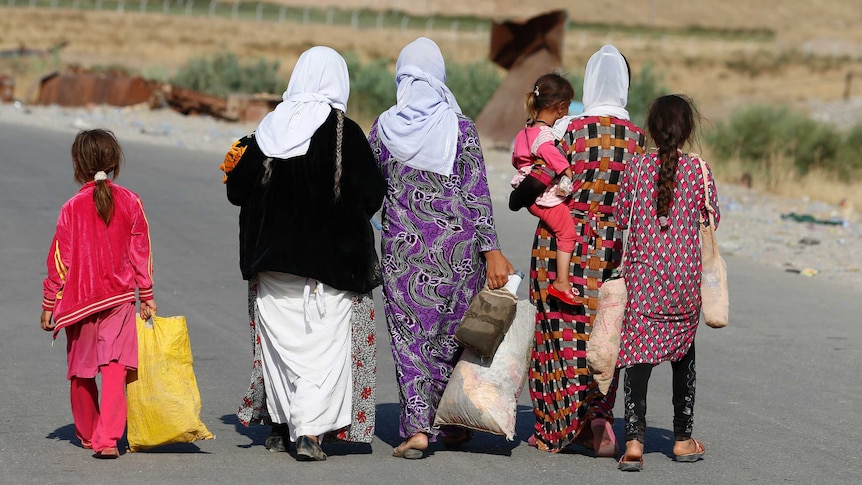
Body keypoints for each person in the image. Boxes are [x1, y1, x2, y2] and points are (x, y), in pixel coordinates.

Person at [221, 46, 386, 462]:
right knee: (323, 350)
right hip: (333, 267)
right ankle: (309, 431)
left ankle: (281, 427)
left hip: (272, 262)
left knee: (281, 348)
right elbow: (372, 194)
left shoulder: (267, 130)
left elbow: (236, 191)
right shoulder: (345, 133)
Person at [368, 36, 515, 459]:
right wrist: (491, 249)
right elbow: (477, 193)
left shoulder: (384, 128)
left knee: (412, 340)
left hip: (404, 255)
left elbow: (370, 191)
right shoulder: (460, 127)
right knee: (453, 337)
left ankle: (418, 428)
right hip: (459, 254)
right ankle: (451, 421)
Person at [525, 44, 646, 455]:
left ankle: (554, 430)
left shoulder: (570, 130)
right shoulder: (637, 138)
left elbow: (541, 178)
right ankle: (598, 416)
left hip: (560, 243)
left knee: (557, 331)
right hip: (611, 248)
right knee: (602, 332)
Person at [614, 94, 719, 471]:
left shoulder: (636, 168)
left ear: (652, 129)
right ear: (688, 130)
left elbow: (620, 216)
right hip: (684, 283)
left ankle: (634, 444)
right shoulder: (700, 171)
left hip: (643, 281)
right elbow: (713, 220)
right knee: (682, 355)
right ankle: (681, 439)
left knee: (637, 358)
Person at [41, 129, 157, 459]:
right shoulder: (131, 201)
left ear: (78, 165)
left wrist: (50, 303)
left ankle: (89, 433)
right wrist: (146, 295)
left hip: (78, 303)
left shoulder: (71, 207)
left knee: (81, 370)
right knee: (115, 367)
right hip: (118, 301)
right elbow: (140, 252)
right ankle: (108, 439)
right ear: (116, 162)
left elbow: (58, 262)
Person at [510, 72, 580, 305]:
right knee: (567, 233)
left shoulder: (525, 130)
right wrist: (566, 171)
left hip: (526, 189)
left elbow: (515, 159)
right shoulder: (545, 135)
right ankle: (562, 281)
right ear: (560, 107)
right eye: (568, 107)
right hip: (541, 195)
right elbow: (550, 154)